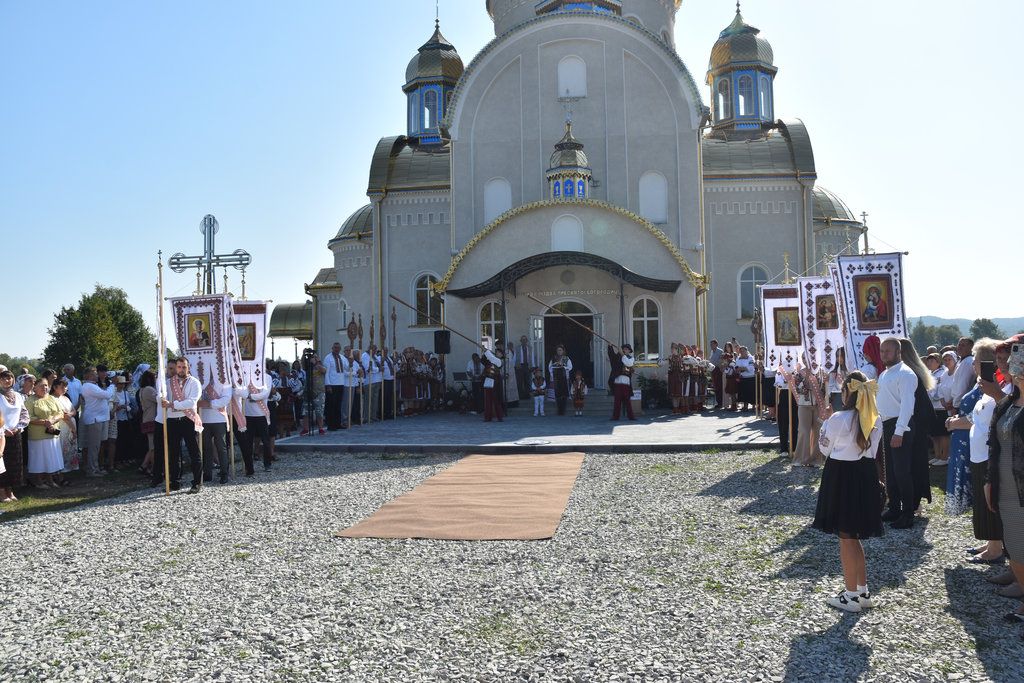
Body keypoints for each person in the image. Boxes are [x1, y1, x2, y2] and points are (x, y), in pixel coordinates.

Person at [812, 370, 884, 612]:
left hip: (842, 476)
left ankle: (851, 595)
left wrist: (826, 423)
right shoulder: (876, 419)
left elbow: (823, 449)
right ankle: (862, 591)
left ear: (847, 393)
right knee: (854, 537)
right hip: (865, 475)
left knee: (846, 538)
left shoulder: (838, 419)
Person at [947, 339, 1004, 563]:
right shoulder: (983, 386)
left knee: (991, 502)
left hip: (990, 453)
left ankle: (996, 549)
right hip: (979, 453)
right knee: (983, 500)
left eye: (978, 361)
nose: (973, 365)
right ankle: (992, 542)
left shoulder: (999, 387)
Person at [985, 354, 1024, 624]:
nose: (1013, 372)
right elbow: (993, 445)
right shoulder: (1005, 405)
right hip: (1006, 487)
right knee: (1014, 545)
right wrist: (989, 481)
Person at [877, 337, 921, 529]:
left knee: (902, 471)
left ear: (898, 352)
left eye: (888, 351)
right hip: (886, 425)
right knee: (890, 471)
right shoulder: (884, 374)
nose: (884, 354)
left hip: (900, 425)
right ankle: (894, 507)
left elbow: (907, 406)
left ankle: (908, 513)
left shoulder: (906, 374)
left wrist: (899, 431)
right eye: (882, 351)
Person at [161, 358, 203, 493]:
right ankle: (175, 482)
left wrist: (172, 404)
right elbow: (162, 397)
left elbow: (191, 402)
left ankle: (197, 482)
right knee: (173, 453)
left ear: (188, 367)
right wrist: (161, 399)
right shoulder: (167, 383)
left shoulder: (194, 383)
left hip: (188, 419)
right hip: (172, 420)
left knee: (193, 451)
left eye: (183, 367)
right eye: (178, 367)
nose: (181, 369)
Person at [26, 377, 65, 489]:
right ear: (35, 388)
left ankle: (50, 480)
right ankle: (38, 481)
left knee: (50, 457)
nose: (45, 387)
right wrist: (44, 422)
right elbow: (29, 417)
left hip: (53, 432)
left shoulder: (51, 398)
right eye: (42, 385)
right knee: (39, 458)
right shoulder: (30, 400)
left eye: (46, 385)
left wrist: (52, 421)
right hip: (38, 435)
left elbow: (60, 413)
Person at [79, 366, 115, 478]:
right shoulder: (88, 386)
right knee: (94, 446)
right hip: (95, 419)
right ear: (89, 375)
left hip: (101, 418)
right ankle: (91, 470)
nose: (96, 375)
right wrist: (113, 385)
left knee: (98, 445)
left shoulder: (93, 386)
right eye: (94, 374)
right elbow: (107, 395)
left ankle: (96, 468)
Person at [0, 369, 28, 501]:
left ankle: (10, 490)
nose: (7, 380)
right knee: (2, 463)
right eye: (4, 378)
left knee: (14, 463)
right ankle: (2, 492)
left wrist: (19, 427)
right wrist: (3, 429)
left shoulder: (17, 395)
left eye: (9, 378)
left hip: (16, 433)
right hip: (1, 434)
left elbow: (24, 413)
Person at [198, 379, 233, 484]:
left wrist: (208, 403)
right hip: (204, 419)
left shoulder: (224, 381)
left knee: (221, 448)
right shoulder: (200, 380)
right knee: (206, 448)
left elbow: (225, 399)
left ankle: (224, 473)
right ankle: (207, 473)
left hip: (219, 419)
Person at [241, 378, 273, 475]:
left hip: (261, 414)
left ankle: (267, 463)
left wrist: (250, 396)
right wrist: (252, 396)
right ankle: (249, 466)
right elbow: (242, 392)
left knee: (265, 441)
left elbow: (265, 394)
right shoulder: (245, 375)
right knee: (248, 442)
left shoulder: (266, 377)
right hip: (248, 414)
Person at [50, 378, 79, 474]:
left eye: (66, 387)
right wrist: (73, 429)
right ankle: (60, 470)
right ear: (55, 387)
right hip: (62, 427)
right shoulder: (52, 399)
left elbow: (74, 410)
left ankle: (69, 468)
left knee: (70, 447)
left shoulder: (65, 398)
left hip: (70, 425)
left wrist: (70, 414)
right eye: (62, 387)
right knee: (61, 447)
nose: (65, 389)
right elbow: (63, 416)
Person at [608, 344, 636, 421]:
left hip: (626, 383)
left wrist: (622, 354)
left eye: (627, 349)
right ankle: (615, 417)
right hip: (618, 382)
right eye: (624, 349)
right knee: (617, 401)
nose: (625, 350)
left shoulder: (631, 358)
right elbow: (612, 357)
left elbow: (628, 363)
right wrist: (610, 347)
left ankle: (631, 416)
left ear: (629, 351)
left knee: (627, 401)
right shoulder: (618, 357)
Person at [137, 370, 157, 476]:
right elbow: (158, 399)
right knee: (153, 447)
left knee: (152, 445)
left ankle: (144, 465)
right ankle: (153, 468)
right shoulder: (149, 389)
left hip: (146, 418)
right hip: (151, 419)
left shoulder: (141, 390)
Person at [302, 353, 327, 435]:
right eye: (313, 357)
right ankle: (305, 429)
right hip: (308, 391)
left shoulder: (320, 366)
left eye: (316, 357)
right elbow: (303, 365)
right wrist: (303, 355)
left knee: (319, 412)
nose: (314, 358)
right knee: (306, 411)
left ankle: (320, 428)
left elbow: (323, 371)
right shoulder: (308, 367)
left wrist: (316, 363)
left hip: (319, 392)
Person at [324, 342, 347, 430]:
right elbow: (327, 372)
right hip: (332, 384)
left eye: (338, 348)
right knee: (331, 405)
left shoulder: (342, 357)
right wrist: (328, 385)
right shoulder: (328, 358)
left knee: (338, 405)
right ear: (332, 348)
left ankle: (338, 423)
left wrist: (351, 362)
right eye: (335, 348)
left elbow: (347, 367)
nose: (337, 349)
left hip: (340, 383)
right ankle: (331, 425)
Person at [950, 337, 976, 411]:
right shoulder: (961, 361)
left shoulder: (968, 362)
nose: (960, 347)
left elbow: (962, 386)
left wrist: (956, 406)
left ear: (971, 348)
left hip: (961, 403)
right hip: (957, 401)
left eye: (963, 345)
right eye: (959, 344)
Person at [548, 345, 573, 416]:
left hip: (564, 378)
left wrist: (563, 366)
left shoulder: (566, 358)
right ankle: (559, 410)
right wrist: (554, 367)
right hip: (556, 378)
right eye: (558, 350)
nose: (559, 351)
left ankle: (563, 410)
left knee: (564, 394)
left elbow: (570, 367)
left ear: (563, 351)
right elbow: (549, 367)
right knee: (558, 394)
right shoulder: (553, 358)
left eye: (560, 350)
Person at [481, 345, 504, 422]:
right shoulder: (491, 360)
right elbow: (484, 360)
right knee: (488, 400)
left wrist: (486, 350)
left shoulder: (499, 361)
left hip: (495, 381)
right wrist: (484, 352)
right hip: (488, 380)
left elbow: (491, 357)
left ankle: (499, 417)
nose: (497, 353)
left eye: (498, 352)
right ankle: (488, 417)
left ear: (501, 355)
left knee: (496, 400)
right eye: (496, 352)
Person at [735, 346, 757, 411]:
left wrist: (743, 368)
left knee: (752, 392)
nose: (742, 352)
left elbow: (751, 367)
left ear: (746, 351)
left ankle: (753, 406)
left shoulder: (750, 358)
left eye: (743, 351)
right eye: (741, 351)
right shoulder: (738, 358)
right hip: (743, 377)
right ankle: (745, 406)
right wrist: (740, 369)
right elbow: (736, 366)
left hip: (750, 377)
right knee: (743, 393)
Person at [515, 335, 534, 401]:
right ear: (521, 341)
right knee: (520, 382)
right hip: (520, 366)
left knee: (527, 381)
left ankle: (527, 395)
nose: (524, 341)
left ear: (527, 341)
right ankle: (520, 396)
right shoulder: (517, 348)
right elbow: (515, 357)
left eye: (525, 340)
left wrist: (532, 366)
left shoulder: (530, 348)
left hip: (527, 366)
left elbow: (532, 357)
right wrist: (515, 366)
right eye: (522, 340)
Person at [708, 339, 723, 409]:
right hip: (713, 370)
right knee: (716, 387)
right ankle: (718, 402)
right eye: (710, 344)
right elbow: (711, 360)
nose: (711, 346)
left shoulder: (720, 351)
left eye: (712, 344)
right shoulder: (711, 352)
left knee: (719, 387)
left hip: (718, 370)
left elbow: (721, 361)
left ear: (716, 344)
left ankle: (721, 403)